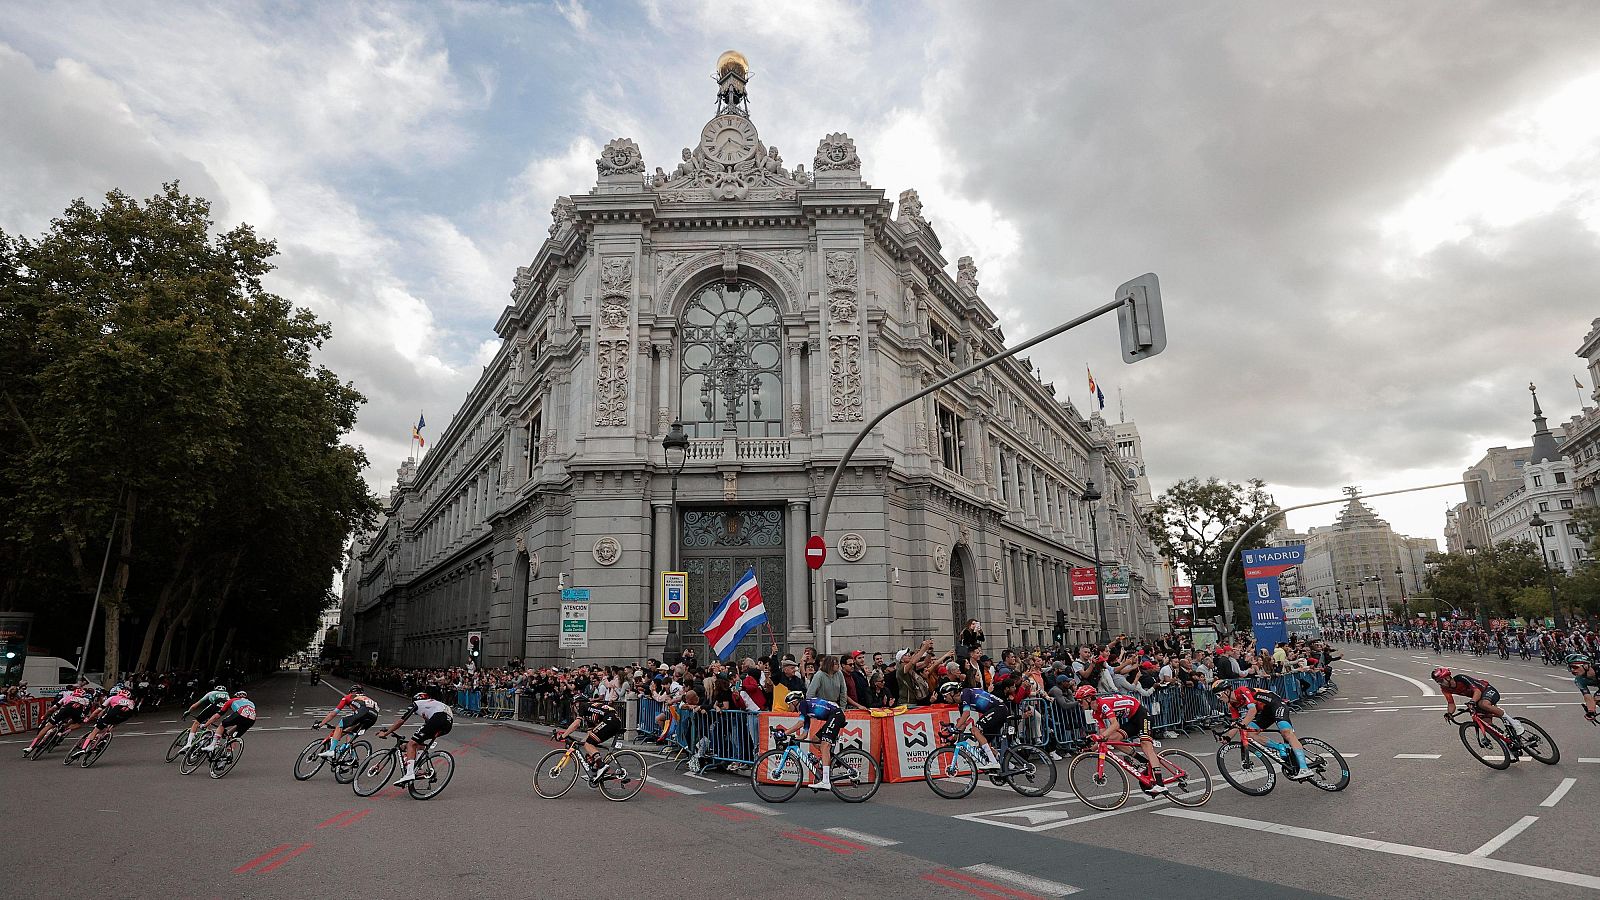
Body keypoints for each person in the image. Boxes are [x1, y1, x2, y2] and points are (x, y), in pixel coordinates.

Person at [1075, 685, 1166, 795]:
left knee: (1145, 745)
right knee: (1111, 740)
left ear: (1088, 699)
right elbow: (1104, 736)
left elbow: (1115, 725)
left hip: (1142, 715)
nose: (1079, 704)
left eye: (1080, 702)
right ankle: (1143, 761)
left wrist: (1100, 737)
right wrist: (1090, 749)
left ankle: (1160, 784)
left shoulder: (1103, 704)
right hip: (1132, 720)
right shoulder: (1095, 713)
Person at [1214, 680, 1311, 780]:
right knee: (1248, 733)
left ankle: (1304, 769)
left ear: (1226, 691)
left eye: (1218, 695)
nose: (1218, 698)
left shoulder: (1242, 691)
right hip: (1265, 712)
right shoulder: (1231, 705)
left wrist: (1242, 724)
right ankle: (1279, 747)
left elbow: (1252, 711)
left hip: (1276, 704)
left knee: (1286, 733)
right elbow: (1236, 724)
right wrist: (1227, 737)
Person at [1431, 666, 1525, 748]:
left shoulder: (1461, 678)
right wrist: (1449, 713)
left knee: (1483, 704)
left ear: (1447, 677)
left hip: (1487, 690)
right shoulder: (1445, 689)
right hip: (1478, 699)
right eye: (1438, 682)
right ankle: (1508, 747)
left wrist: (1472, 702)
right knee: (1488, 726)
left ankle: (1514, 723)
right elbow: (1451, 703)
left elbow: (1477, 692)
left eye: (1441, 680)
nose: (1440, 683)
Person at [378, 691, 454, 786]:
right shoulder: (432, 704)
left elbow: (401, 721)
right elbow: (426, 727)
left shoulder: (417, 704)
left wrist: (387, 733)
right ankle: (417, 768)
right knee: (418, 743)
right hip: (448, 724)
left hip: (438, 718)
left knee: (411, 744)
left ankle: (409, 774)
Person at [780, 691, 845, 791]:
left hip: (836, 715)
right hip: (833, 716)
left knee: (824, 746)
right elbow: (804, 735)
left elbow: (800, 724)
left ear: (795, 702)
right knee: (815, 740)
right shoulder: (806, 712)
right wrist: (792, 740)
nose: (789, 707)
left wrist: (784, 733)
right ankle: (829, 760)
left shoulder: (803, 704)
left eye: (789, 704)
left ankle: (826, 781)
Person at [935, 681, 1006, 771]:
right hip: (997, 710)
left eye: (945, 696)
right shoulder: (961, 704)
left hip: (998, 709)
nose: (945, 699)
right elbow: (963, 724)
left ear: (952, 693)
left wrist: (954, 728)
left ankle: (993, 762)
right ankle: (1008, 764)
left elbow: (966, 714)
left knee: (975, 730)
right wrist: (953, 738)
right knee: (982, 745)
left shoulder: (965, 693)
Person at [554, 695, 625, 786]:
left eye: (573, 705)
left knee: (589, 744)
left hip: (610, 720)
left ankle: (601, 766)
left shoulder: (583, 705)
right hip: (614, 722)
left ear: (577, 703)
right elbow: (589, 734)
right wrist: (578, 743)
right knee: (589, 744)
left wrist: (563, 736)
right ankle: (596, 769)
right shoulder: (590, 713)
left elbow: (576, 724)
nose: (573, 708)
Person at [316, 684, 380, 758]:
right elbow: (355, 722)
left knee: (340, 725)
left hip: (364, 712)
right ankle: (353, 758)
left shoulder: (349, 697)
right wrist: (340, 734)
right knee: (350, 735)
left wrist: (321, 724)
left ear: (351, 692)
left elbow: (333, 714)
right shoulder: (366, 698)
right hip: (374, 717)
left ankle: (331, 751)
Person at [27, 683, 93, 754]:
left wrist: (45, 716)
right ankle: (63, 731)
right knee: (77, 724)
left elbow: (52, 709)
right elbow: (86, 710)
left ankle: (31, 747)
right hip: (77, 712)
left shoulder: (67, 697)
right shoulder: (86, 700)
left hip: (65, 710)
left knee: (48, 726)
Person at [74, 686, 136, 754]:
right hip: (125, 716)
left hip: (113, 713)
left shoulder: (112, 698)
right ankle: (103, 739)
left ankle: (84, 748)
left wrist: (89, 719)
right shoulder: (131, 701)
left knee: (95, 730)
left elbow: (98, 710)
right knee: (111, 725)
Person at [180, 685, 230, 751]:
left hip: (213, 706)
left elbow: (195, 705)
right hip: (222, 709)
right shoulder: (227, 695)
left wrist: (188, 711)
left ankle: (188, 744)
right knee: (211, 722)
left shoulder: (211, 693)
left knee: (196, 722)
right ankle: (210, 740)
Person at [1568, 654, 1600, 721]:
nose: (1572, 670)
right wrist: (1591, 712)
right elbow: (1587, 697)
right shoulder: (1579, 680)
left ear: (1585, 666)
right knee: (1596, 699)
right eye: (1570, 667)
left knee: (1597, 698)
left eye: (1575, 667)